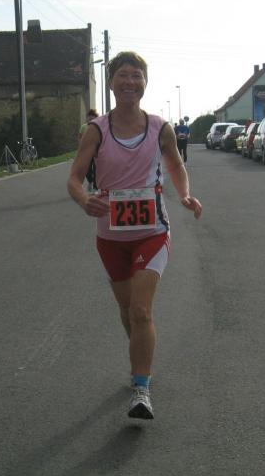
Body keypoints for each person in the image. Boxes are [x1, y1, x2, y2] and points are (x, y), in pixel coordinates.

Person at [67, 51, 202, 420]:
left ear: (145, 82)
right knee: (128, 311)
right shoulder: (96, 131)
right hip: (110, 237)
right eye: (123, 75)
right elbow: (74, 179)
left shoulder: (160, 128)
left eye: (136, 75)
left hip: (152, 232)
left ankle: (141, 388)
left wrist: (185, 194)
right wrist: (84, 200)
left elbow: (175, 164)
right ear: (111, 83)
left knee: (141, 310)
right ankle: (140, 350)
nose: (130, 82)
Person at [80, 109, 100, 190]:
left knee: (96, 169)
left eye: (92, 117)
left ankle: (95, 187)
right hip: (86, 151)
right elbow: (80, 137)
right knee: (86, 168)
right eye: (89, 117)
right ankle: (90, 181)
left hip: (96, 152)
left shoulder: (99, 127)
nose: (90, 119)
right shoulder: (83, 127)